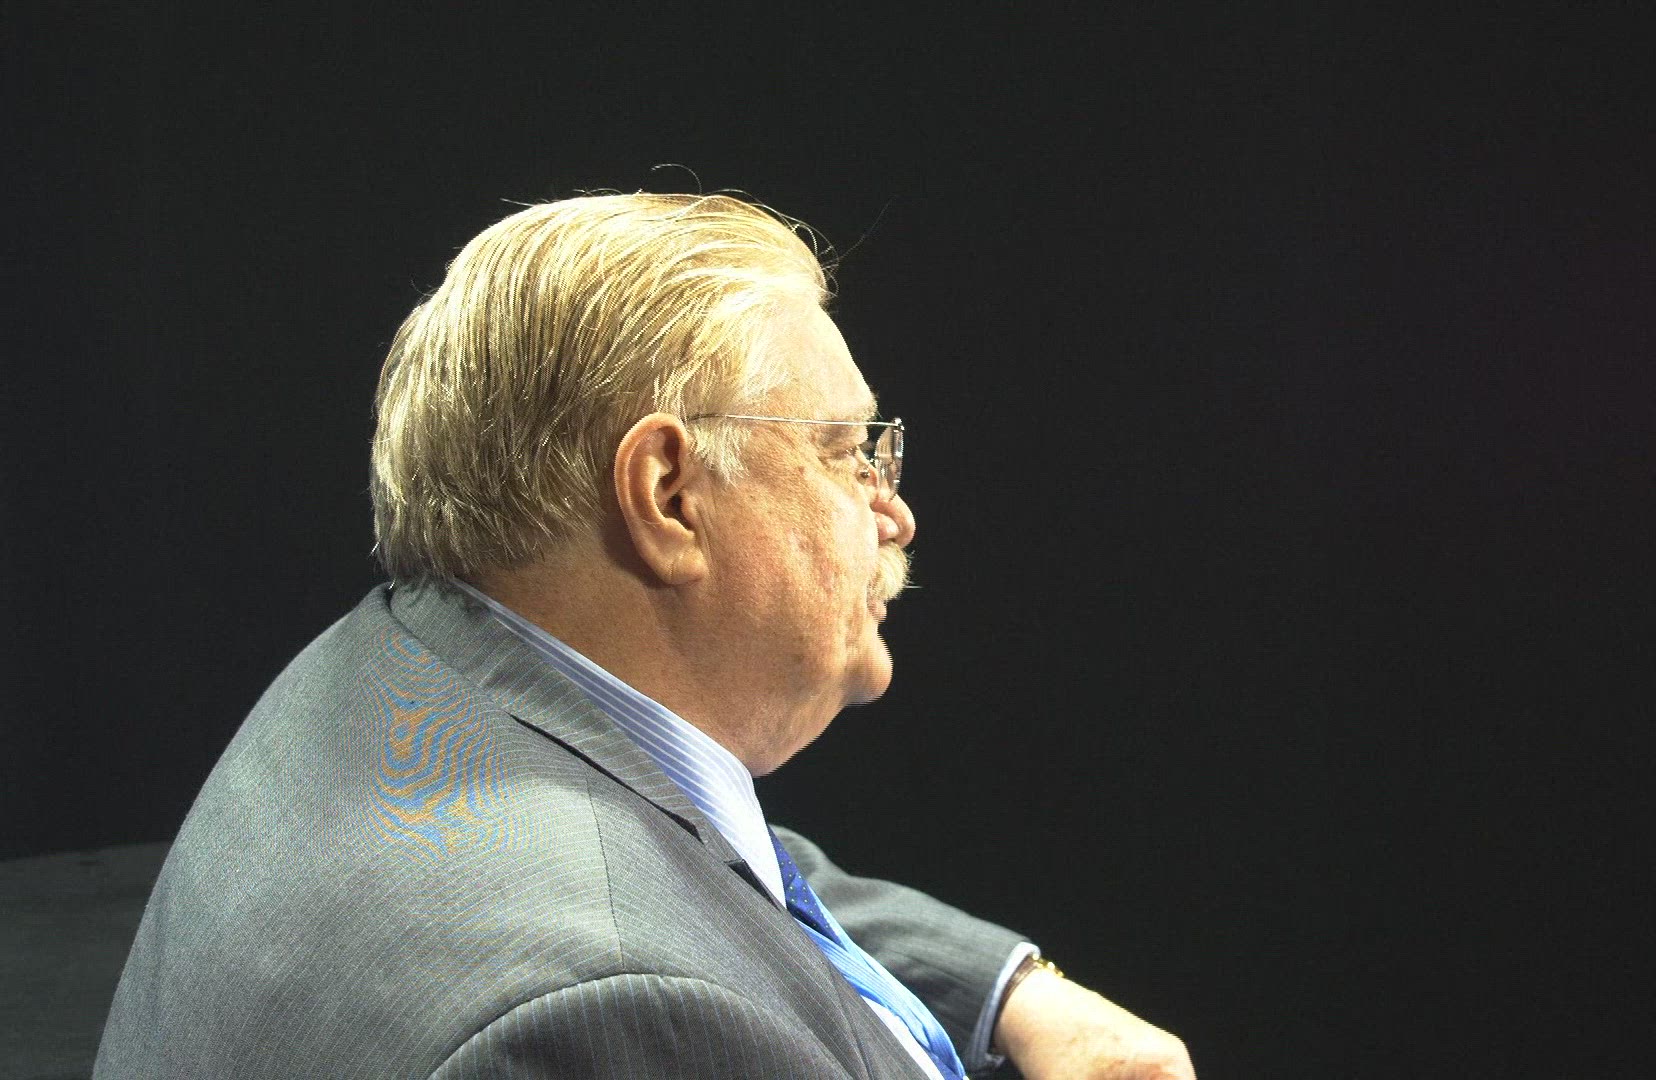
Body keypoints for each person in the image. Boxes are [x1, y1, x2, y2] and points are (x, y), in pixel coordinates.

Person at [96, 193, 1193, 1079]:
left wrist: (1010, 993)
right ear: (669, 495)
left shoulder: (406, 672)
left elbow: (712, 864)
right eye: (843, 452)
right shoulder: (618, 1018)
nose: (893, 514)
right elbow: (657, 945)